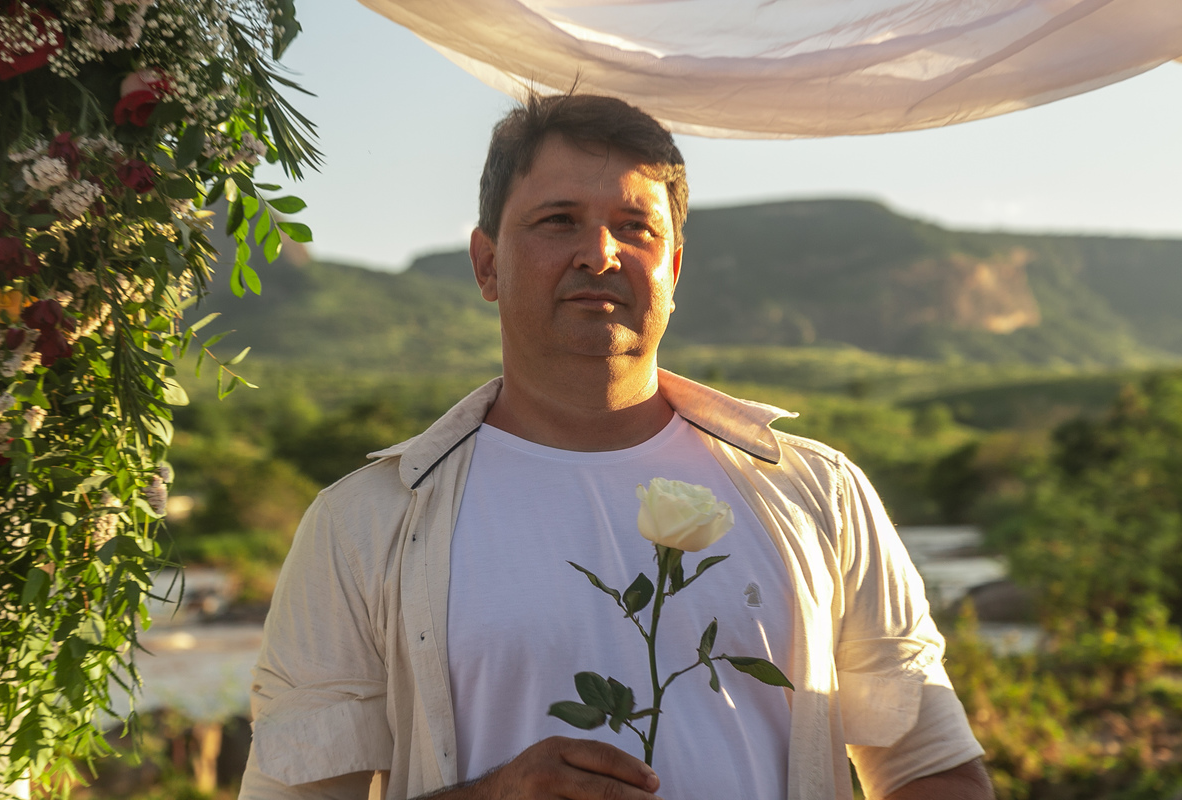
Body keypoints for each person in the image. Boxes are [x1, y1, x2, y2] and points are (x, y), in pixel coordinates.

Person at [238, 93, 993, 800]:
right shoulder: (362, 526)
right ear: (487, 264)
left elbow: (934, 773)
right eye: (558, 220)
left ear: (674, 268)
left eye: (636, 227)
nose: (599, 253)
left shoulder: (819, 493)